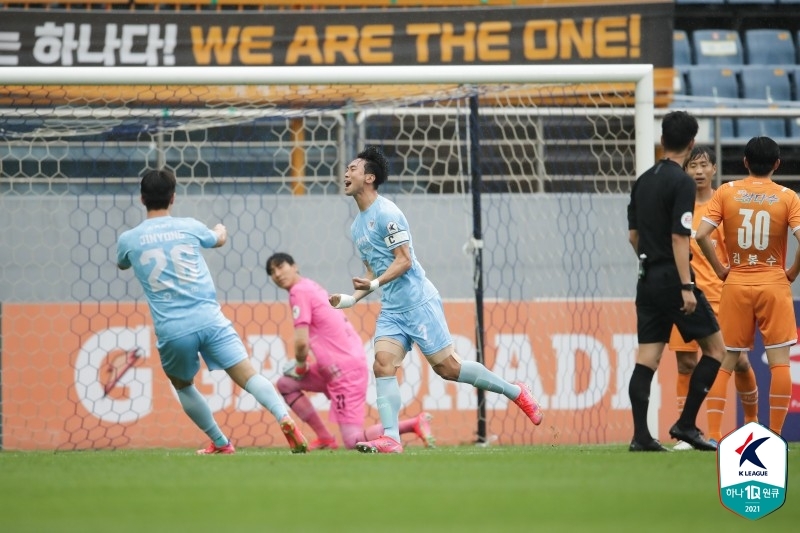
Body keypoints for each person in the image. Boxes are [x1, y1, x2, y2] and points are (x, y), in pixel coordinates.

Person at [328, 145, 543, 454]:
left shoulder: (388, 214)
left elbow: (403, 261)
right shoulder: (356, 227)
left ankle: (515, 391)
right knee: (383, 364)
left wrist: (374, 281)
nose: (346, 173)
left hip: (419, 303)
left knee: (449, 369)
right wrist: (351, 299)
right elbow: (372, 270)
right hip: (392, 310)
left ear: (370, 178)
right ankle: (391, 438)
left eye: (353, 169)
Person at [116, 169, 308, 455]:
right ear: (173, 197)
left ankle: (220, 442)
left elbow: (122, 264)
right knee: (249, 376)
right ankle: (283, 417)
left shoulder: (129, 239)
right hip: (210, 318)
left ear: (142, 198)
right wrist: (219, 231)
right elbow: (217, 240)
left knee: (182, 385)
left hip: (173, 328)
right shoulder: (189, 226)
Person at [265, 251, 436, 450]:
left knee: (351, 440)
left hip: (344, 371)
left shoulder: (298, 291)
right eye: (272, 271)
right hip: (331, 368)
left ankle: (413, 424)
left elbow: (301, 342)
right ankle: (325, 438)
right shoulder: (308, 286)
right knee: (286, 384)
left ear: (294, 266)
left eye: (280, 266)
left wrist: (301, 366)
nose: (277, 273)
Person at [626, 110, 724, 452]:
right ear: (692, 142)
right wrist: (685, 284)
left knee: (647, 357)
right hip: (674, 278)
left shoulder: (643, 181)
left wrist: (649, 262)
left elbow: (633, 236)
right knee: (716, 350)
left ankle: (640, 435)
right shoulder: (682, 182)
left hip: (646, 277)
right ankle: (686, 424)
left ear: (662, 139)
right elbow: (682, 237)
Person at [696, 136, 800, 439]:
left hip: (737, 282)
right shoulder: (787, 196)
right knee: (779, 362)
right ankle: (776, 435)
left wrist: (719, 269)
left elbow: (703, 234)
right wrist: (792, 271)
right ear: (777, 165)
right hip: (773, 283)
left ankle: (714, 436)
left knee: (726, 360)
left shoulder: (727, 191)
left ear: (744, 162)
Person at [667, 147, 758, 450]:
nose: (699, 171)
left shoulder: (725, 204)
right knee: (685, 363)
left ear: (714, 169)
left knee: (739, 360)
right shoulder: (679, 205)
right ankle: (686, 432)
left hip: (722, 296)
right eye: (693, 165)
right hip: (686, 295)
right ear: (686, 170)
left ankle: (750, 425)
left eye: (704, 165)